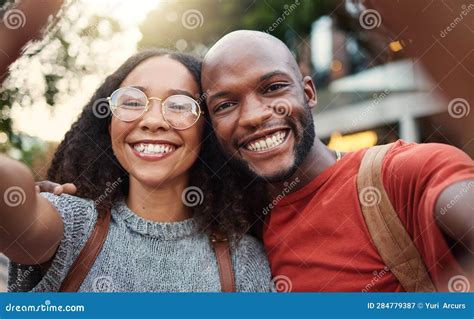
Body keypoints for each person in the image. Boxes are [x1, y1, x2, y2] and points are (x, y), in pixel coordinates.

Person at [200, 30, 474, 292]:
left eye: (273, 87)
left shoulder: (403, 172)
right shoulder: (241, 226)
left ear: (308, 93)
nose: (253, 116)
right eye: (225, 105)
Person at [1, 48, 271, 292]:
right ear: (110, 127)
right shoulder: (71, 225)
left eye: (179, 105)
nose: (153, 121)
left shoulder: (244, 262)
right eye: (131, 102)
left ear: (206, 132)